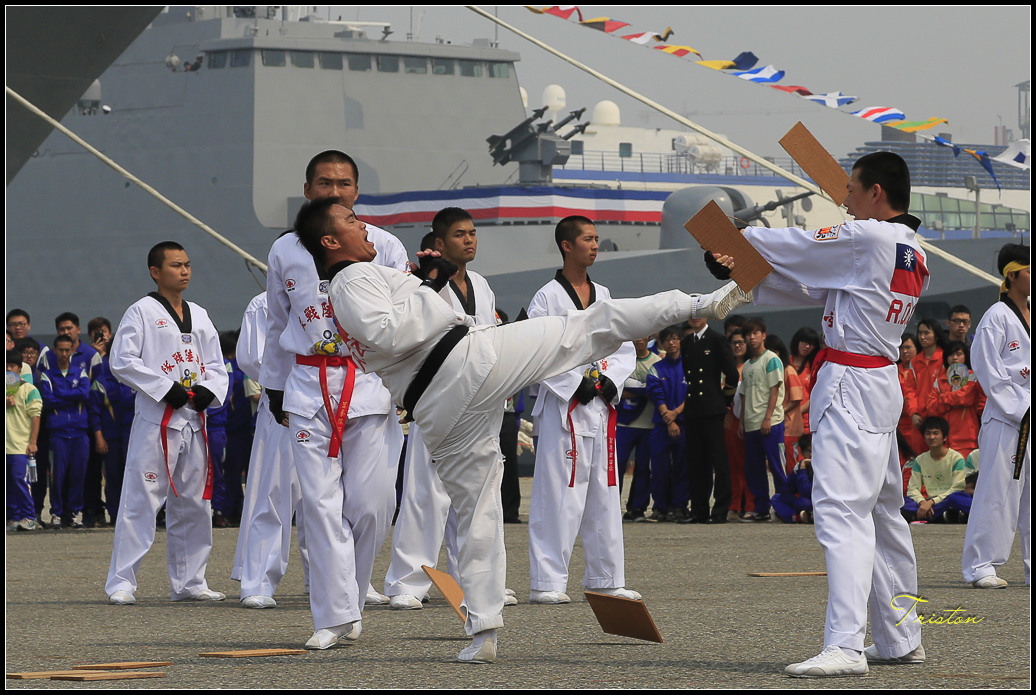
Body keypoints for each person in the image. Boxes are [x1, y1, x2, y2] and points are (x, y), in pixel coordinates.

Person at [293, 195, 750, 663]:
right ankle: (703, 302)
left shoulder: (351, 283)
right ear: (330, 241)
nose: (363, 226)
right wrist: (429, 283)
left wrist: (424, 280)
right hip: (464, 364)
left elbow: (395, 328)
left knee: (478, 512)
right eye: (351, 220)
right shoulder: (352, 279)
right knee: (589, 326)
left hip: (436, 402)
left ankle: (484, 631)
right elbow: (390, 332)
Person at [705, 151, 927, 676]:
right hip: (878, 381)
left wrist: (735, 239)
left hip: (851, 382)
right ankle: (901, 637)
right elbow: (812, 284)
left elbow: (798, 247)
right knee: (883, 514)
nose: (844, 200)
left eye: (851, 190)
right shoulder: (913, 249)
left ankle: (846, 645)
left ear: (876, 193)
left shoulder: (868, 237)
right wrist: (743, 271)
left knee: (841, 512)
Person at [259, 150, 408, 650]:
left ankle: (352, 600)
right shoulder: (285, 250)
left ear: (357, 192)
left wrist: (406, 384)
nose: (335, 191)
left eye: (345, 184)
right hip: (307, 385)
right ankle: (332, 615)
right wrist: (274, 387)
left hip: (368, 384)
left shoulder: (381, 245)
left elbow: (405, 318)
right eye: (325, 183)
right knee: (320, 506)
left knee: (371, 505)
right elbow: (277, 323)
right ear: (308, 191)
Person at [385, 207, 509, 611]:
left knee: (477, 494)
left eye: (472, 233)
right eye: (459, 234)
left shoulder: (482, 285)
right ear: (438, 243)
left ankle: (473, 582)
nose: (469, 240)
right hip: (436, 397)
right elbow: (407, 340)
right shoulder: (422, 285)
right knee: (425, 492)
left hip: (479, 399)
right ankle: (407, 581)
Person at [105, 241, 229, 605]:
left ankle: (190, 582)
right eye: (176, 265)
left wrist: (209, 389)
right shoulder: (141, 312)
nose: (185, 271)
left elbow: (217, 365)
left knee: (195, 503)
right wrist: (163, 388)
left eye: (187, 264)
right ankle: (121, 582)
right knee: (141, 500)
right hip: (156, 420)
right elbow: (122, 360)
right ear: (155, 272)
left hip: (193, 420)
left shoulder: (200, 314)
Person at [526, 215, 639, 602]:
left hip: (600, 406)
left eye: (596, 239)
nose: (594, 245)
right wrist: (576, 383)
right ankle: (547, 582)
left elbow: (622, 344)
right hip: (564, 409)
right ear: (566, 245)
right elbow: (539, 350)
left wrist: (610, 379)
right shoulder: (546, 298)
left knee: (605, 493)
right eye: (587, 239)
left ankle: (606, 578)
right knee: (558, 496)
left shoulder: (604, 294)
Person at [232, 291, 310, 608]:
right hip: (285, 400)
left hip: (333, 397)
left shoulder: (338, 289)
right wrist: (286, 382)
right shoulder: (264, 302)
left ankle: (334, 578)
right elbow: (252, 357)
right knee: (275, 491)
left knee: (332, 496)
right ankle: (259, 579)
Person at [961, 244, 1030, 589]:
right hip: (1008, 418)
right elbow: (988, 370)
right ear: (1012, 275)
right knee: (997, 492)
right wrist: (1019, 407)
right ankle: (981, 565)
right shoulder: (997, 317)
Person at [679, 315, 738, 524]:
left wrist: (725, 399)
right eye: (692, 315)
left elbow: (732, 374)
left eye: (700, 313)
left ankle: (720, 510)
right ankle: (699, 510)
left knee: (718, 461)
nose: (696, 318)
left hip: (713, 408)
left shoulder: (716, 339)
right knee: (696, 461)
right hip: (693, 408)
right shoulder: (687, 342)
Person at [38, 334, 91, 528]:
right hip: (58, 433)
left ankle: (74, 514)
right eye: (60, 350)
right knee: (57, 477)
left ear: (72, 351)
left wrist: (61, 394)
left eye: (67, 350)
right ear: (54, 351)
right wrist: (73, 396)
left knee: (78, 474)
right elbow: (48, 400)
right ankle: (57, 514)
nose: (64, 353)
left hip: (80, 432)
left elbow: (85, 395)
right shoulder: (47, 375)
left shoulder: (80, 373)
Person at [737, 318, 787, 522]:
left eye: (755, 333)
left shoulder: (771, 359)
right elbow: (743, 396)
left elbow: (774, 390)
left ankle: (784, 507)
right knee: (754, 469)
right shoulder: (747, 366)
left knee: (777, 466)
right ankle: (761, 508)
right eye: (748, 334)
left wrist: (767, 418)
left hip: (771, 423)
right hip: (751, 424)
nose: (751, 337)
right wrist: (742, 421)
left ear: (763, 335)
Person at [644, 325, 689, 521]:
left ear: (680, 341)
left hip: (684, 424)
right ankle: (660, 507)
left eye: (675, 339)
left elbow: (691, 394)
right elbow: (656, 394)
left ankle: (680, 506)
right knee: (659, 469)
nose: (671, 343)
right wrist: (668, 418)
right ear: (661, 343)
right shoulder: (656, 368)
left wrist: (676, 413)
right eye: (667, 339)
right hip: (662, 426)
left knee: (682, 467)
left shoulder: (689, 365)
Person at [616, 336, 661, 522]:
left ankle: (637, 508)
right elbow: (616, 389)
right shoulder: (622, 360)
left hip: (648, 424)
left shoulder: (656, 362)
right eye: (635, 336)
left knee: (643, 468)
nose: (639, 340)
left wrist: (635, 391)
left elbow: (656, 390)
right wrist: (639, 391)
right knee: (617, 464)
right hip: (623, 423)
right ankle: (611, 506)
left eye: (643, 336)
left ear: (649, 337)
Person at [901, 416, 971, 523]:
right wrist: (922, 503)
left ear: (945, 437)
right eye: (928, 433)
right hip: (929, 503)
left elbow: (957, 487)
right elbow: (912, 488)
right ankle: (935, 514)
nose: (932, 437)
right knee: (902, 501)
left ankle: (922, 515)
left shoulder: (956, 458)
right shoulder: (920, 460)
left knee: (956, 498)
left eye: (936, 433)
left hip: (947, 500)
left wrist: (932, 502)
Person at [924, 341, 984, 458]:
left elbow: (966, 397)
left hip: (967, 439)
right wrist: (954, 400)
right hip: (944, 441)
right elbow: (931, 408)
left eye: (959, 354)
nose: (954, 358)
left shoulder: (973, 377)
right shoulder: (940, 380)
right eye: (951, 355)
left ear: (966, 356)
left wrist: (942, 398)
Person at [6, 350, 42, 531]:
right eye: (5, 366)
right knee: (8, 484)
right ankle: (13, 518)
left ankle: (29, 516)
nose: (8, 369)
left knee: (20, 480)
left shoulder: (30, 389)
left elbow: (36, 416)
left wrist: (33, 442)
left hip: (20, 446)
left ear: (20, 369)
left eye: (12, 366)